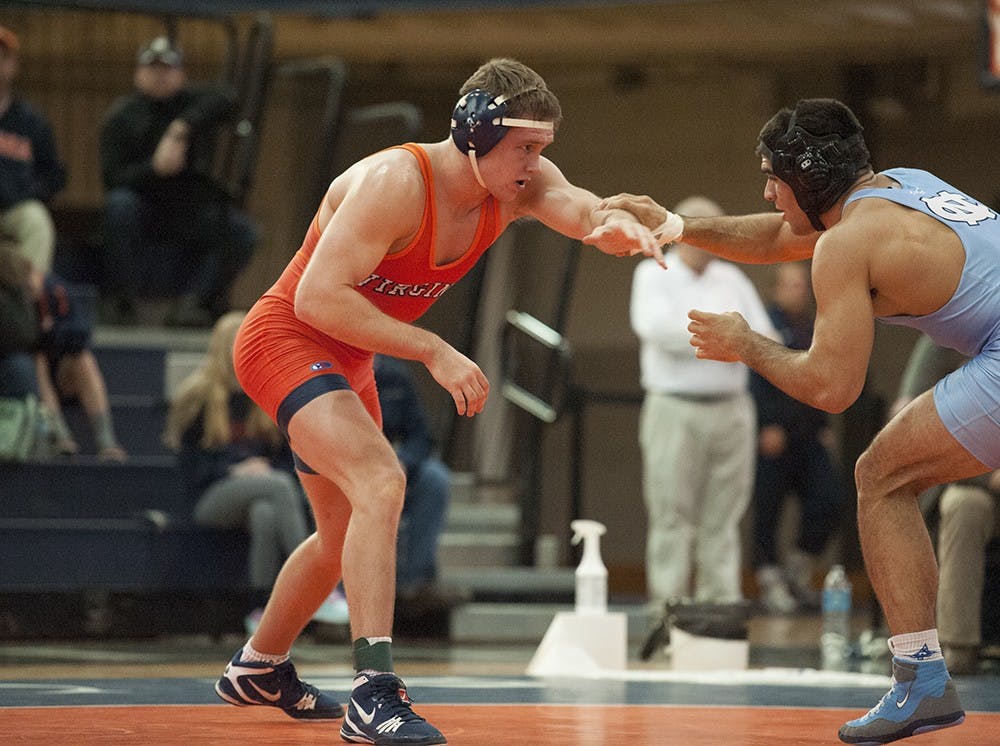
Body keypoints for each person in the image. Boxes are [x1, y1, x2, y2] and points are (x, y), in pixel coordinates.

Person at [214, 58, 671, 744]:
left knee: (342, 537)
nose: (534, 162)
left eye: (541, 148)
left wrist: (613, 223)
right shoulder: (396, 182)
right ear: (474, 132)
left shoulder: (517, 183)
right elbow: (316, 296)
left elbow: (578, 208)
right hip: (286, 337)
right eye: (523, 147)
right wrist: (431, 348)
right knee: (381, 480)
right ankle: (374, 691)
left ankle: (258, 666)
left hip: (347, 356)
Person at [602, 97, 986, 744]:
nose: (766, 191)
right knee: (889, 474)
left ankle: (920, 680)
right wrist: (675, 224)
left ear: (807, 176)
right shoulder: (906, 186)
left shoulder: (844, 245)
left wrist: (746, 343)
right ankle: (923, 680)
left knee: (881, 476)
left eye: (773, 178)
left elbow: (833, 388)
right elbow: (783, 237)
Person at [631, 195, 774, 613]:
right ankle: (668, 606)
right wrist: (730, 338)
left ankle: (721, 605)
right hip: (674, 407)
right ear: (685, 232)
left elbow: (765, 337)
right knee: (671, 513)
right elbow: (657, 332)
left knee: (724, 517)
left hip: (732, 407)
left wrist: (733, 340)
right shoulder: (652, 271)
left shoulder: (732, 279)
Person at [163, 311, 345, 633]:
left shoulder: (266, 391)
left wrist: (263, 468)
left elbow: (287, 457)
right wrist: (235, 471)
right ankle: (322, 585)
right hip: (209, 497)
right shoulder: (199, 396)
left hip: (259, 493)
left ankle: (259, 608)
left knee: (265, 512)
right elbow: (191, 467)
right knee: (277, 485)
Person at [98, 36, 258, 327]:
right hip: (142, 206)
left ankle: (195, 302)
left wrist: (180, 128)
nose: (160, 75)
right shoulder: (121, 115)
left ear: (181, 74)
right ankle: (121, 303)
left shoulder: (190, 105)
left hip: (188, 209)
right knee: (118, 206)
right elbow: (112, 178)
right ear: (138, 73)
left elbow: (228, 98)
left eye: (167, 69)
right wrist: (154, 169)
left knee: (242, 232)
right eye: (152, 68)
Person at [892, 335, 996, 676]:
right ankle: (958, 645)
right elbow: (911, 426)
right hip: (972, 478)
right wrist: (990, 478)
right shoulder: (947, 338)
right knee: (963, 506)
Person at [750, 261, 843, 614]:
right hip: (774, 434)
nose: (798, 291)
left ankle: (797, 571)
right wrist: (765, 424)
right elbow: (754, 374)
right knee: (768, 509)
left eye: (803, 285)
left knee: (828, 500)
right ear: (775, 289)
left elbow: (820, 377)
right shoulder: (763, 324)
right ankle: (769, 578)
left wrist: (823, 425)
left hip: (809, 434)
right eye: (790, 285)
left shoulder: (814, 327)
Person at [374, 354, 457, 609]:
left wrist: (403, 462)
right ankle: (342, 592)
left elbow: (420, 435)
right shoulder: (329, 373)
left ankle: (416, 581)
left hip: (394, 465)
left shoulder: (394, 375)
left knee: (435, 479)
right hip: (352, 468)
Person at [0, 24, 67, 275]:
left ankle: (30, 303)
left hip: (12, 211)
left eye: (2, 57)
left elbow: (54, 175)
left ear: (12, 65)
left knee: (36, 219)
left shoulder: (31, 121)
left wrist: (25, 191)